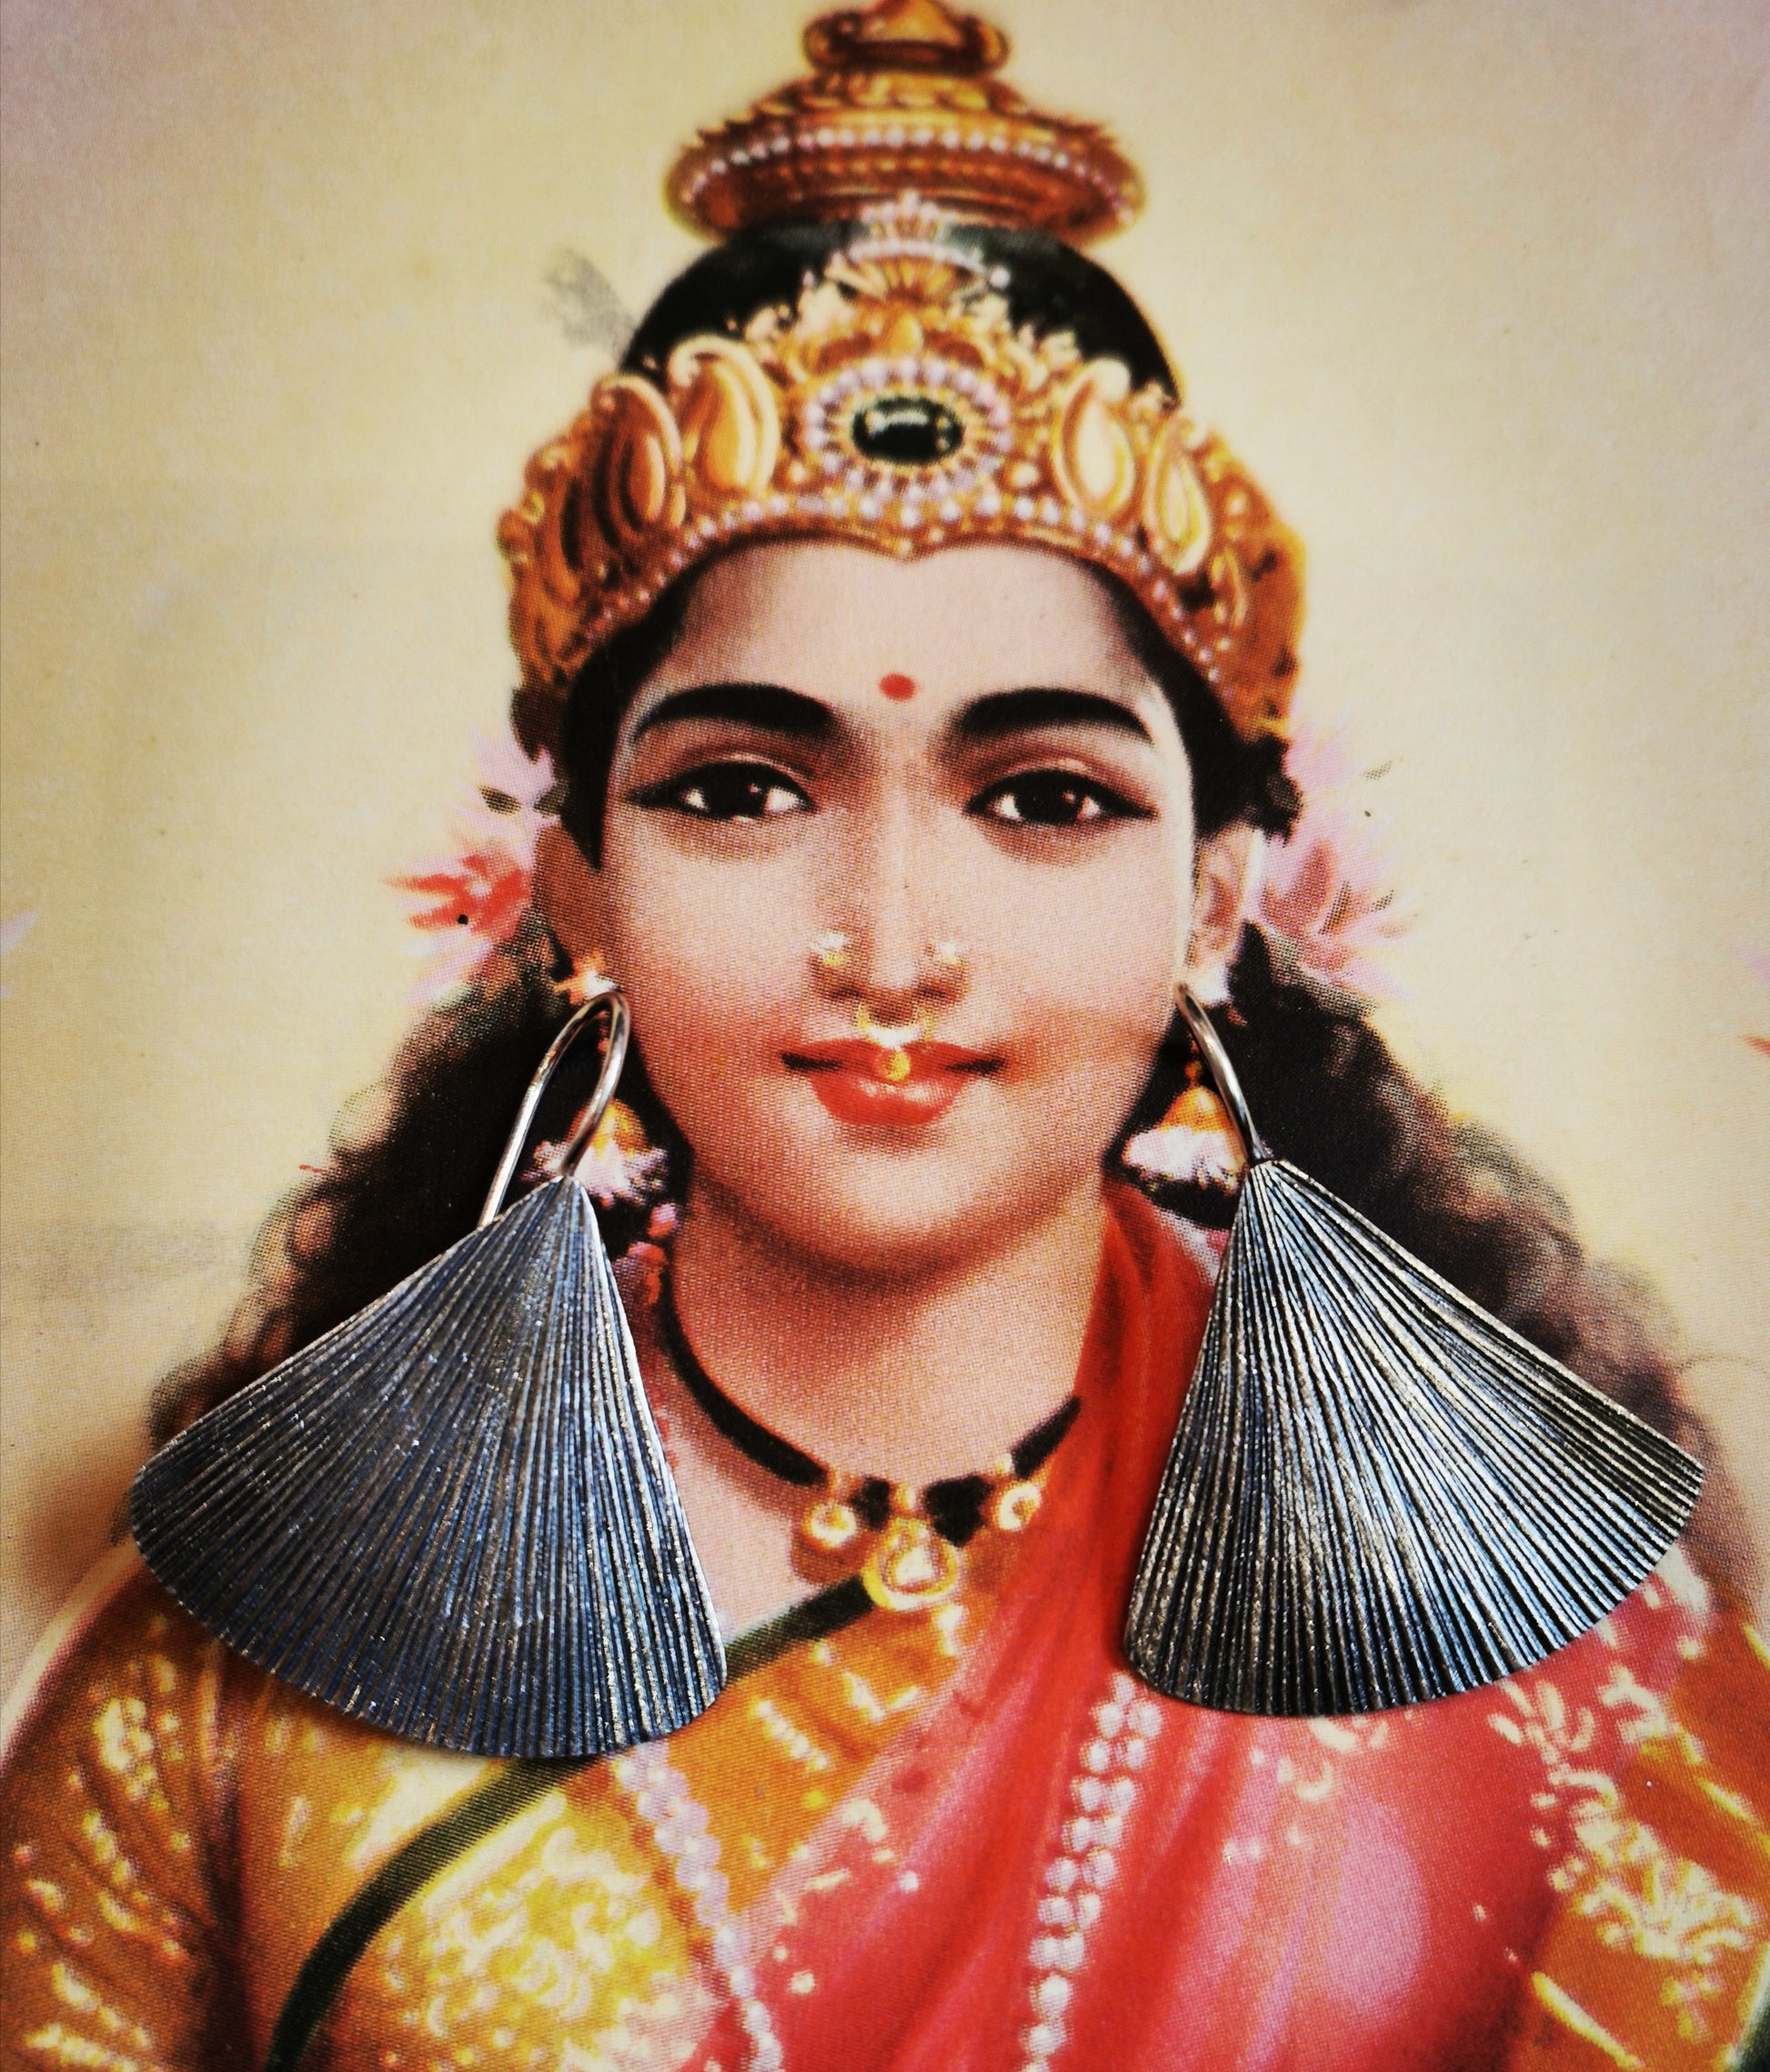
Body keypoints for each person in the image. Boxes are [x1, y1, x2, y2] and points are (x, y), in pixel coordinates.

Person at [3, 5, 1765, 2067]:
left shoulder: (1566, 1667)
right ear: (577, 883)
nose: (896, 944)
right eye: (744, 788)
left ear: (1215, 896)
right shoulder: (246, 1661)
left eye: (1045, 797)